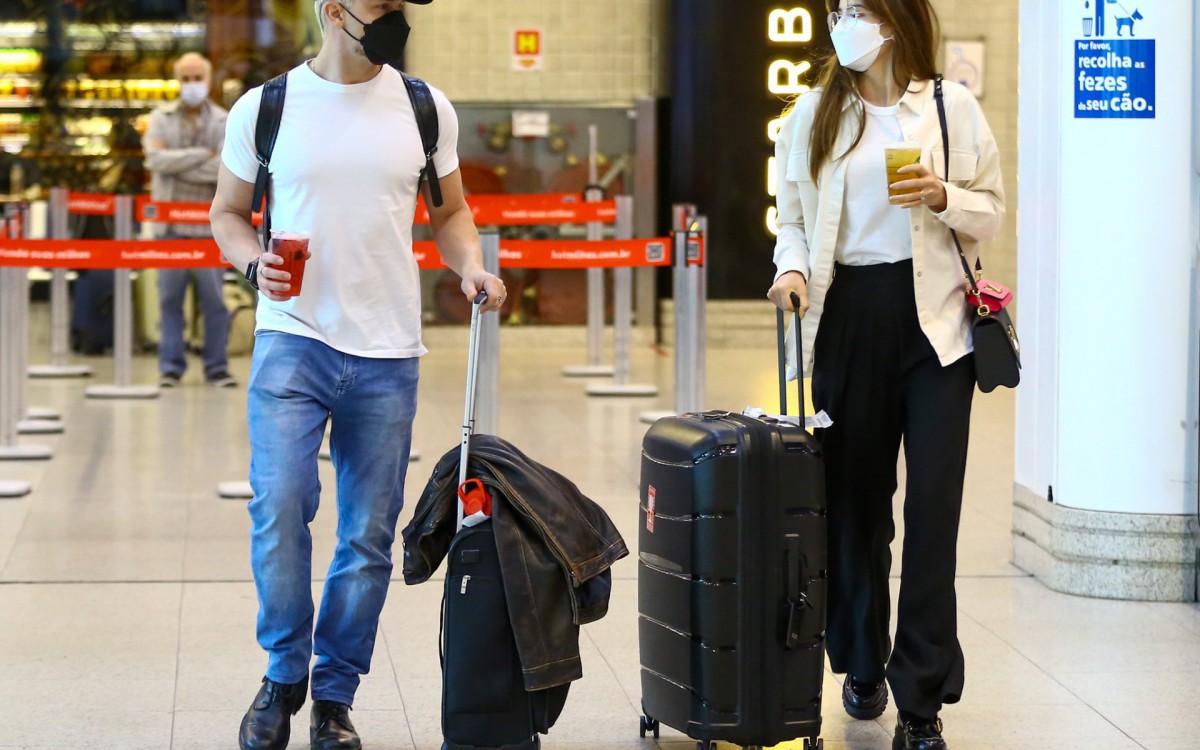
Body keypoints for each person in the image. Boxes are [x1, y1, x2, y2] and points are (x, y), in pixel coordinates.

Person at [209, 1, 506, 748]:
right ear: (334, 11)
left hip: (387, 352)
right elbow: (228, 213)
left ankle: (334, 696)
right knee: (279, 508)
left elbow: (450, 214)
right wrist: (254, 262)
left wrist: (471, 263)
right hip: (292, 341)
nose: (396, 15)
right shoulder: (266, 107)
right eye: (382, 4)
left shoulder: (423, 106)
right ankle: (283, 674)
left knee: (367, 535)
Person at [768, 2, 1004, 749]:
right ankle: (862, 661)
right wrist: (792, 268)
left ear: (895, 20)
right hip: (851, 316)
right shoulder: (813, 111)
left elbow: (992, 211)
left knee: (935, 516)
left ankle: (923, 698)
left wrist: (942, 196)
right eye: (836, 9)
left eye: (858, 9)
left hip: (937, 325)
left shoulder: (949, 106)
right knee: (857, 506)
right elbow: (792, 217)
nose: (842, 21)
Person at [143, 52, 236, 388]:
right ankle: (170, 367)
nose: (191, 85)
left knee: (214, 302)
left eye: (198, 78)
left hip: (209, 230)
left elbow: (224, 166)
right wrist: (201, 157)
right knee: (169, 301)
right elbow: (155, 159)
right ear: (176, 80)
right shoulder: (160, 118)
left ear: (209, 80)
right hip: (169, 229)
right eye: (186, 78)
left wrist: (178, 161)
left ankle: (216, 367)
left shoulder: (227, 120)